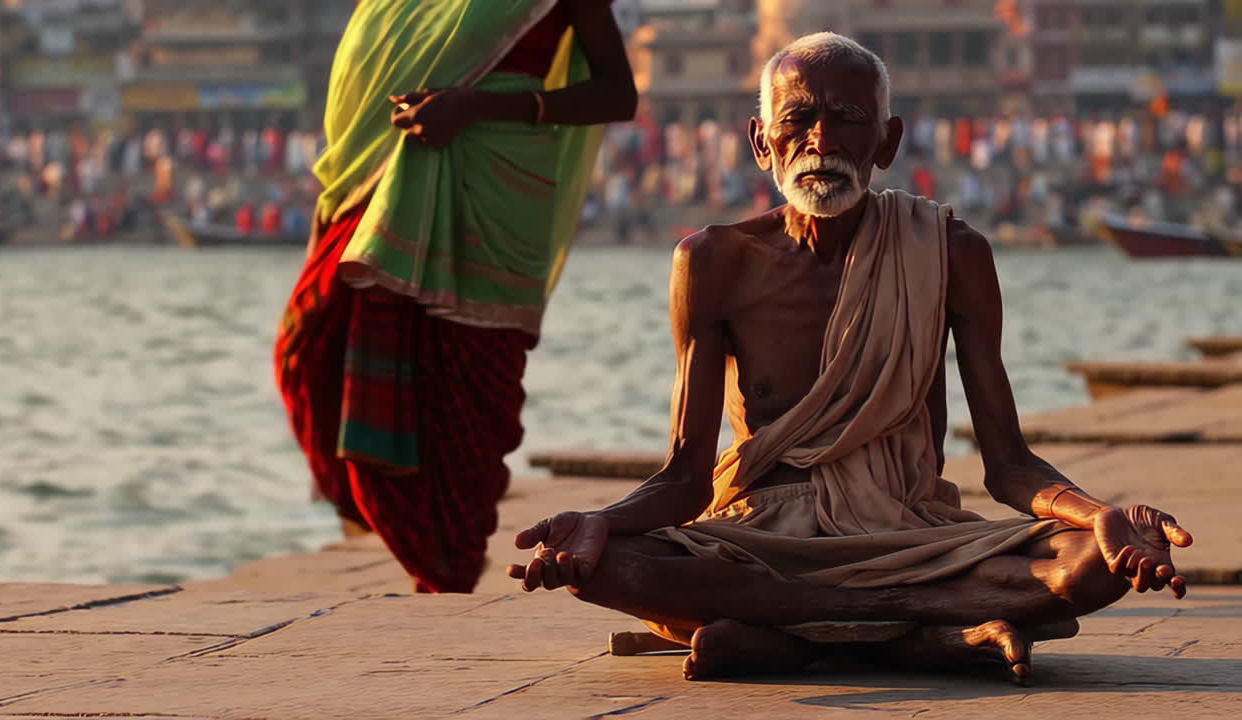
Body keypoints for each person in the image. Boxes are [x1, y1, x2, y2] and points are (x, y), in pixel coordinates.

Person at [508, 33, 1194, 684]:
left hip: (911, 532)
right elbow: (685, 478)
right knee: (602, 566)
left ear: (887, 141)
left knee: (1089, 565)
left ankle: (786, 638)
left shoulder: (951, 252)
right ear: (760, 141)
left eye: (849, 118)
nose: (822, 141)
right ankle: (922, 637)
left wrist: (1098, 514)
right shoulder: (712, 262)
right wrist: (602, 520)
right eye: (799, 117)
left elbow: (1010, 465)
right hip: (762, 536)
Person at [275, 0, 636, 594]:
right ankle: (419, 548)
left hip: (499, 185)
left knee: (467, 397)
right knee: (308, 348)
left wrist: (475, 106)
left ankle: (447, 570)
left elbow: (617, 95)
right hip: (385, 181)